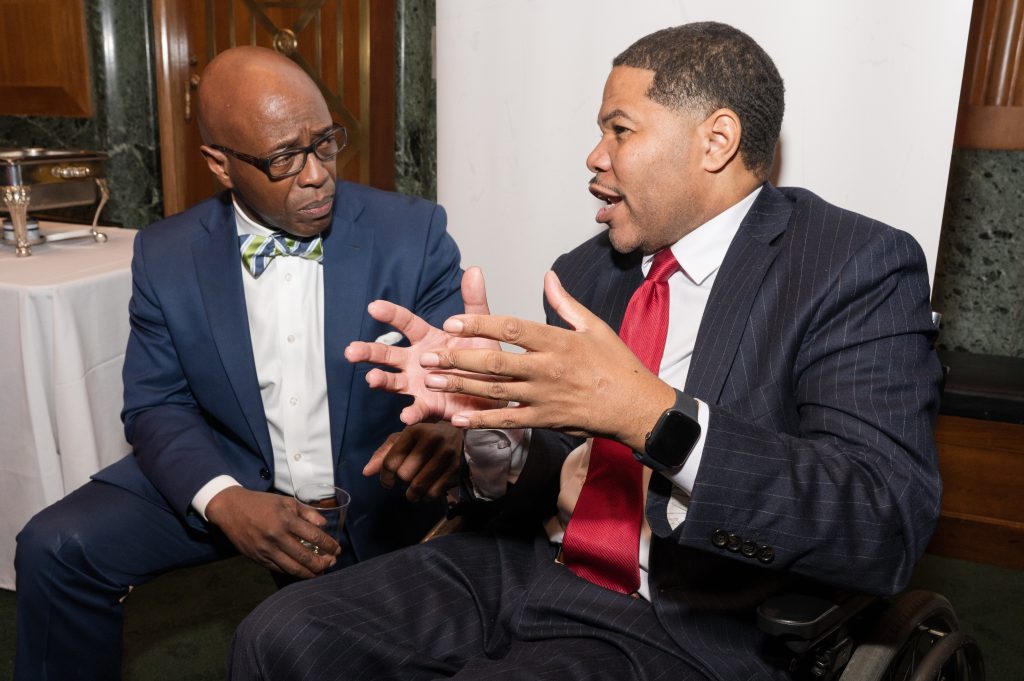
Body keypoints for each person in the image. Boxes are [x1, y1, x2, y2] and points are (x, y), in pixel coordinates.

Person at [229, 23, 944, 680]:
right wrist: (498, 436)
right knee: (279, 634)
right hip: (526, 562)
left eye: (620, 130)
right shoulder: (583, 272)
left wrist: (651, 416)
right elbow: (552, 467)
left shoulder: (852, 265)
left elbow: (882, 521)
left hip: (681, 615)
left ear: (715, 140)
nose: (594, 157)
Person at [14, 46, 475, 680]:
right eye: (285, 157)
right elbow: (157, 404)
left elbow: (456, 375)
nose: (316, 174)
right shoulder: (165, 254)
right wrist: (224, 501)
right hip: (231, 465)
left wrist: (451, 418)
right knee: (53, 547)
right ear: (220, 164)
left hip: (372, 481)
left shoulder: (413, 233)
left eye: (325, 143)